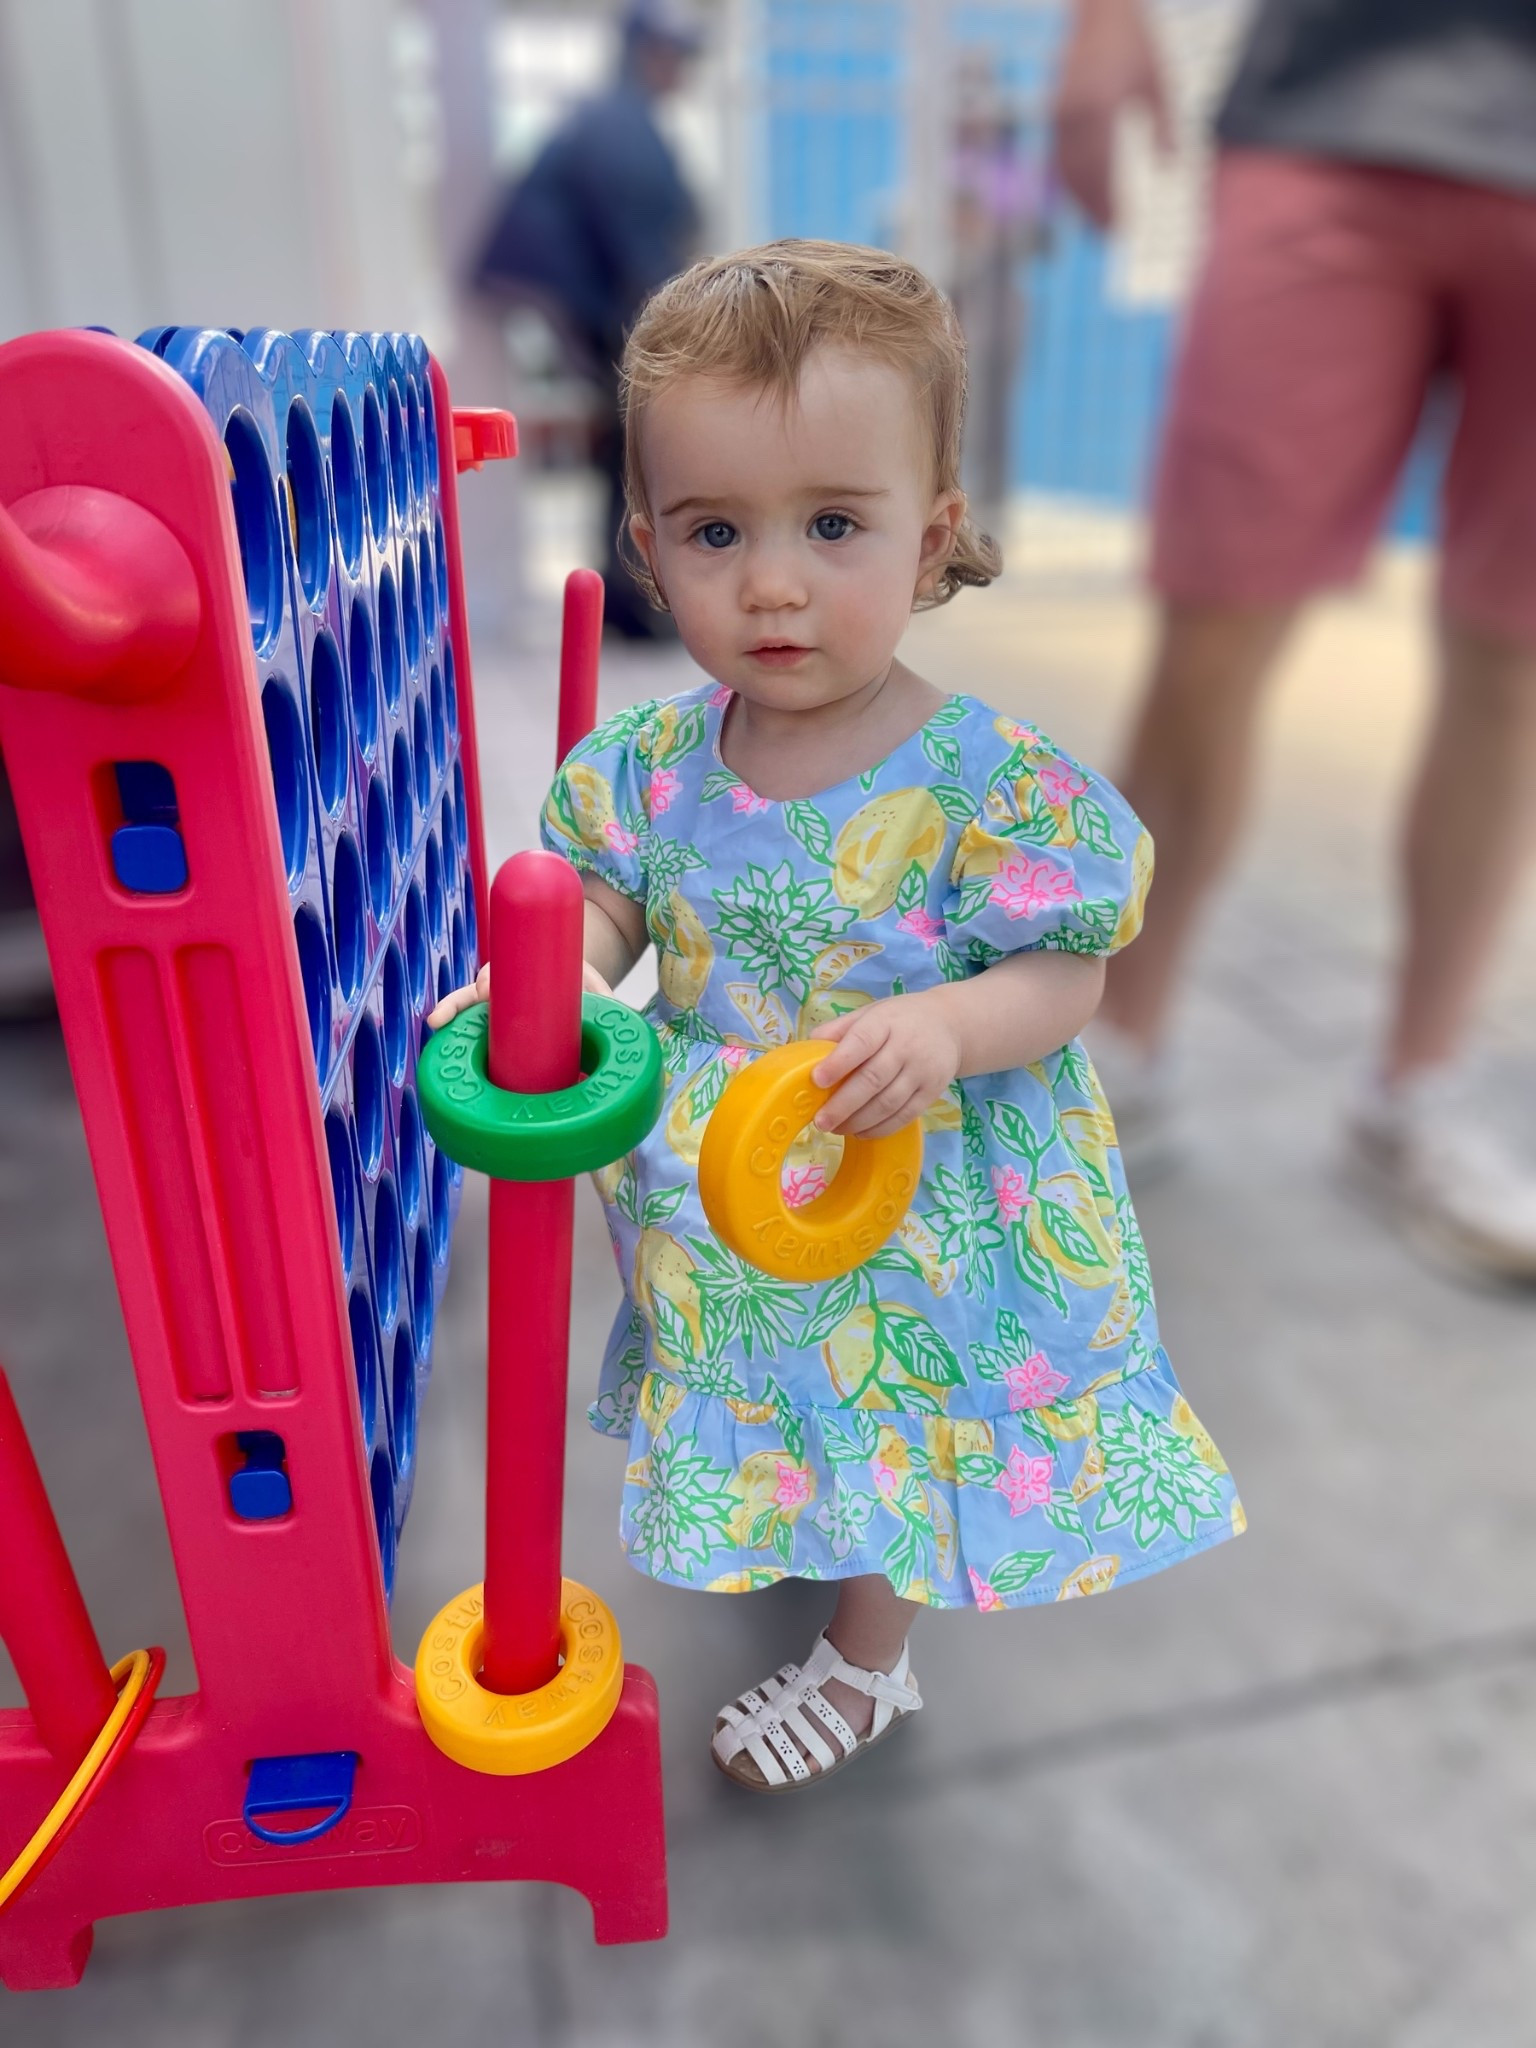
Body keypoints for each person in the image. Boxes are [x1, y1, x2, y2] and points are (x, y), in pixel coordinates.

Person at [429, 241, 1242, 1792]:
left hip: (908, 1185)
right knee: (784, 1391)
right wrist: (558, 980)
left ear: (931, 539)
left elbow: (1070, 969)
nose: (775, 581)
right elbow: (606, 896)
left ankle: (873, 1663)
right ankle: (815, 1531)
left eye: (832, 526)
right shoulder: (653, 764)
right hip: (730, 1185)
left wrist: (950, 1028)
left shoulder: (989, 784)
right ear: (652, 549)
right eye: (718, 530)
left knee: (881, 1418)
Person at [1051, 0, 1536, 1279]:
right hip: (1327, 112)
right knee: (1213, 619)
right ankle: (1120, 1052)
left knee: (1514, 656)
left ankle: (1414, 1090)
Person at [475, 0, 702, 639]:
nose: (680, 70)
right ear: (642, 52)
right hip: (604, 310)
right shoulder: (618, 122)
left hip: (603, 308)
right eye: (671, 55)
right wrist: (679, 316)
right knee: (638, 443)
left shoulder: (622, 120)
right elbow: (635, 240)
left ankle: (631, 600)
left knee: (632, 445)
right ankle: (632, 603)